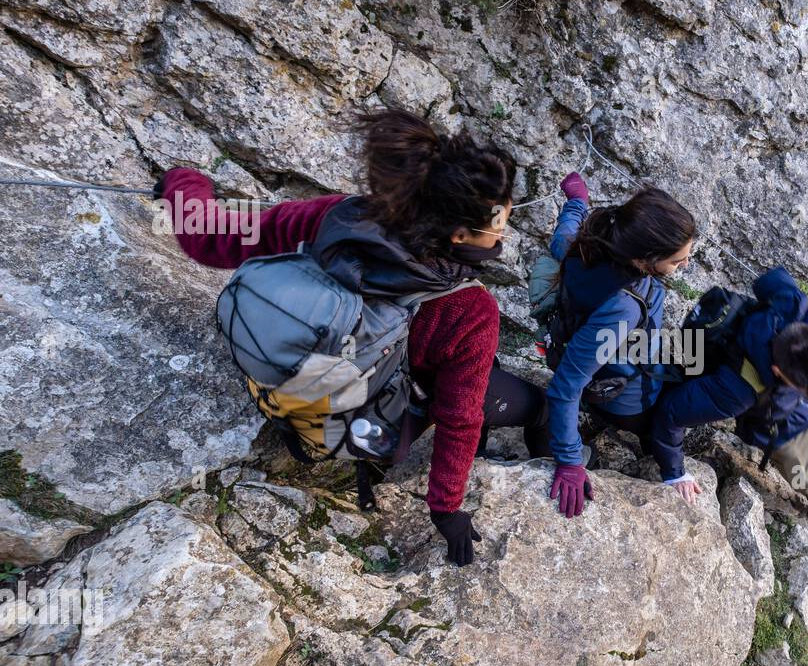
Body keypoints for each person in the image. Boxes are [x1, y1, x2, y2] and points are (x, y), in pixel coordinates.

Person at [158, 108, 548, 566]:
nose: (507, 227)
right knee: (533, 406)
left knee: (469, 368)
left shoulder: (336, 215)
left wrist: (182, 183)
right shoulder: (471, 308)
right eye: (500, 220)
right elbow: (460, 418)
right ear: (460, 233)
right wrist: (447, 509)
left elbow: (209, 238)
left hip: (282, 372)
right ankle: (551, 447)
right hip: (361, 419)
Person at [650, 267, 808, 582]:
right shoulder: (736, 390)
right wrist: (674, 473)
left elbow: (771, 278)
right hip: (787, 434)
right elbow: (671, 412)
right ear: (777, 371)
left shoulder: (791, 306)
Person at [544, 173, 696, 518]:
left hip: (630, 350)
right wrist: (569, 460)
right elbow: (566, 387)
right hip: (626, 399)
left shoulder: (585, 244)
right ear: (646, 258)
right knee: (686, 404)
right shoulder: (622, 307)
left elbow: (564, 232)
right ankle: (659, 455)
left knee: (705, 349)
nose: (685, 264)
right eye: (676, 260)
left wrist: (576, 201)